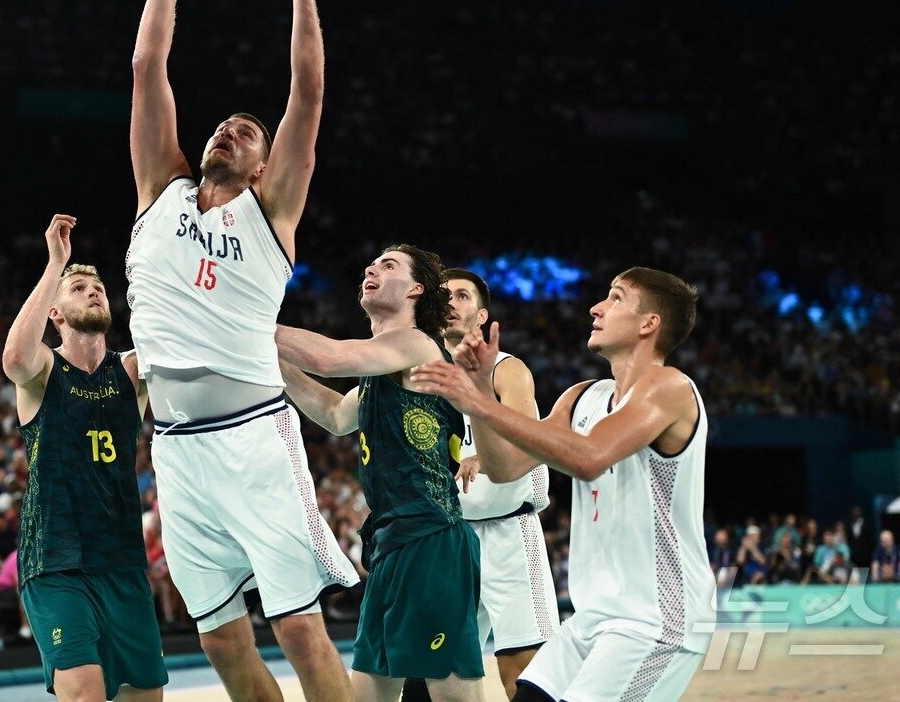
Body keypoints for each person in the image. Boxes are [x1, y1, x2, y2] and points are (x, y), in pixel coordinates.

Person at [126, 0, 354, 699]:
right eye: (224, 124)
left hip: (256, 434)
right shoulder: (159, 190)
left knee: (298, 627)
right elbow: (148, 64)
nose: (230, 129)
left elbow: (309, 93)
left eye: (247, 132)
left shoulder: (271, 212)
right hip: (176, 447)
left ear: (264, 166)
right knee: (220, 641)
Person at [413, 268, 714, 702]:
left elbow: (588, 458)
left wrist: (479, 402)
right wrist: (479, 398)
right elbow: (506, 467)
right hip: (592, 620)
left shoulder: (669, 387)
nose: (596, 308)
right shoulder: (581, 396)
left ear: (649, 323)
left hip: (655, 619)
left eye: (616, 298)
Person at [275, 245, 485, 701]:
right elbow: (335, 414)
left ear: (415, 289)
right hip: (391, 541)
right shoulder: (380, 367)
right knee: (371, 692)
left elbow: (329, 359)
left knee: (453, 694)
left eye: (388, 265)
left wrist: (247, 323)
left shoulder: (417, 344)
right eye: (371, 264)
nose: (371, 268)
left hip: (431, 537)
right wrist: (273, 362)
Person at [1, 214, 166, 702]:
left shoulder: (131, 369)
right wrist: (56, 264)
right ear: (55, 312)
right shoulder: (43, 369)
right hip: (57, 559)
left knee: (146, 697)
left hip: (121, 559)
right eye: (79, 288)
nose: (93, 291)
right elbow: (14, 359)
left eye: (98, 287)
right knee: (85, 693)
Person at [408, 268, 557, 701]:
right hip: (450, 538)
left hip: (509, 532)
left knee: (524, 675)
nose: (451, 303)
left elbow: (528, 439)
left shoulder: (508, 370)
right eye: (443, 296)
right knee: (433, 677)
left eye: (462, 296)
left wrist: (484, 457)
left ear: (482, 314)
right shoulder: (422, 377)